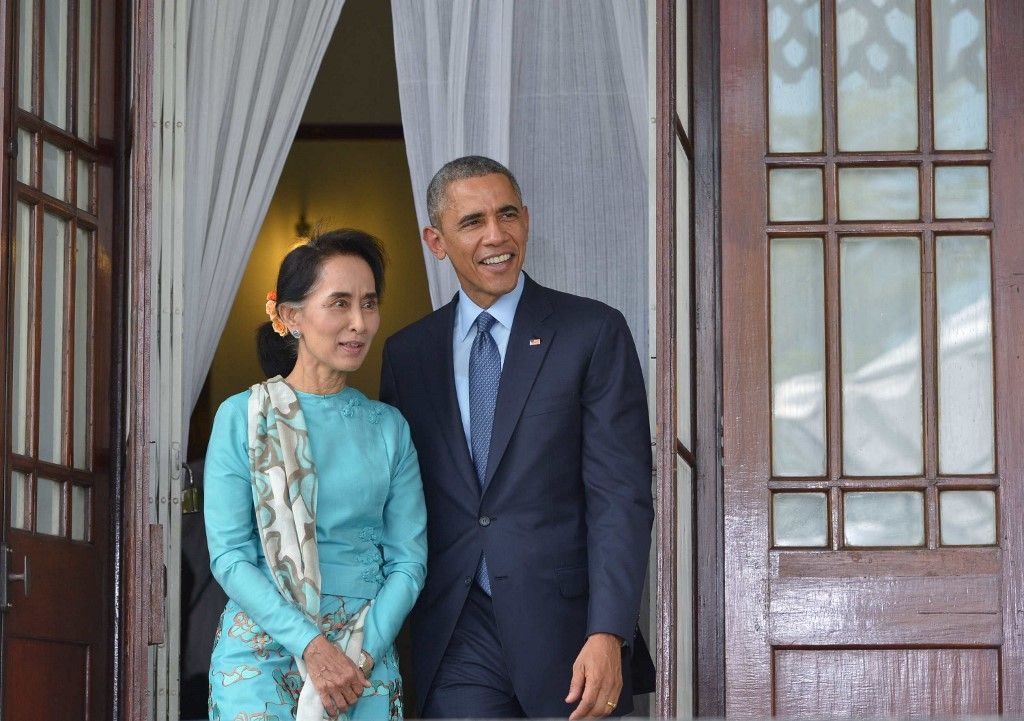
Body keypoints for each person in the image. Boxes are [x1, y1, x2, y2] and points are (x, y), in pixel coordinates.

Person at [380, 156, 654, 719]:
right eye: (472, 222)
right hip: (457, 627)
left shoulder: (592, 332)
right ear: (436, 241)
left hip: (568, 634)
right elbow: (397, 500)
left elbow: (619, 496)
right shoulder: (408, 355)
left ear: (527, 219)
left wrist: (609, 631)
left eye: (507, 215)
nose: (495, 236)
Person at [205, 229, 427, 721]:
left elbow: (409, 563)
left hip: (362, 656)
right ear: (290, 316)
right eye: (340, 303)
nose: (359, 323)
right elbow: (229, 555)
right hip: (261, 653)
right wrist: (311, 645)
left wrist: (359, 655)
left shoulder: (389, 429)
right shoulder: (244, 417)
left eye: (369, 304)